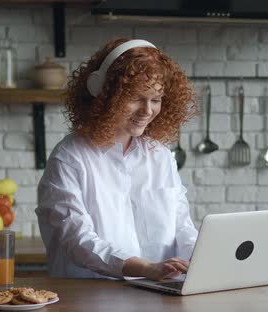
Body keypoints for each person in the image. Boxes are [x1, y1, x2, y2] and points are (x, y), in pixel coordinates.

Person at [35, 38, 199, 281]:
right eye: (135, 98)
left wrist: (199, 259)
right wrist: (144, 268)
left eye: (155, 99)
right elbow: (76, 239)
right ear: (103, 95)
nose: (147, 110)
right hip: (90, 296)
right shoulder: (69, 157)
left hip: (158, 292)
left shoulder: (161, 155)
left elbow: (182, 227)